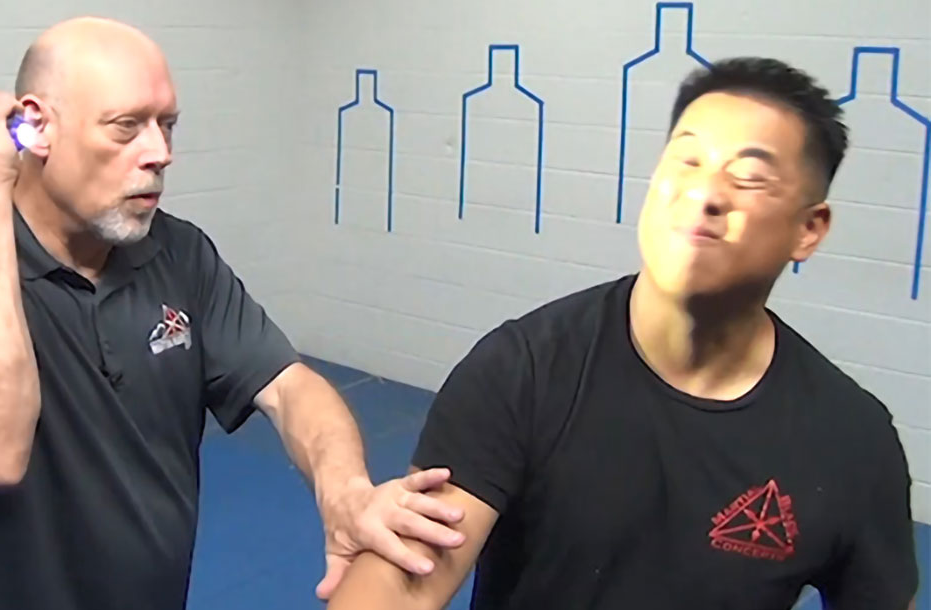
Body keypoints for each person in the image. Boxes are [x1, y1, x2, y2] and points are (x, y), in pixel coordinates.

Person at [0, 16, 468, 610]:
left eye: (167, 125)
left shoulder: (179, 254)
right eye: (126, 127)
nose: (159, 154)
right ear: (35, 128)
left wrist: (346, 492)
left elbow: (290, 388)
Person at [325, 57, 919, 610]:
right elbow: (404, 580)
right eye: (686, 161)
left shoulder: (854, 443)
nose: (705, 194)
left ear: (808, 230)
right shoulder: (522, 371)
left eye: (749, 178)